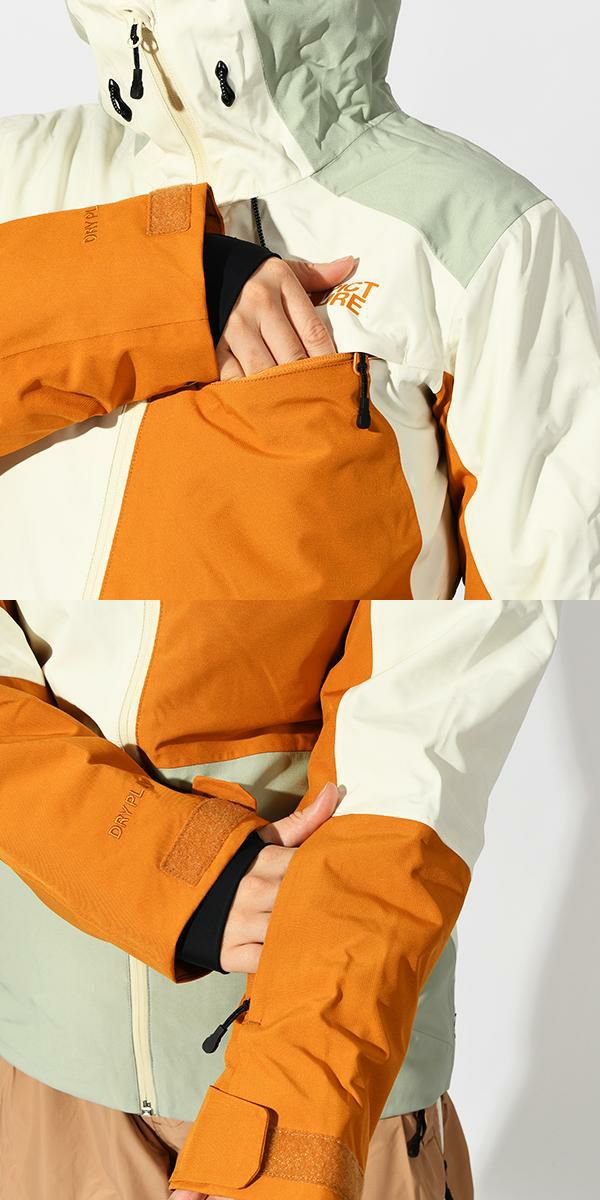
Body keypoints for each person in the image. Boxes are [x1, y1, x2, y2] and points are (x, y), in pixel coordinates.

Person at [0, 2, 598, 1199]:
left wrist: (291, 1125)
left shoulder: (484, 240)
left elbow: (436, 722)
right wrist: (166, 289)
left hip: (326, 1086)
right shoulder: (23, 183)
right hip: (37, 1081)